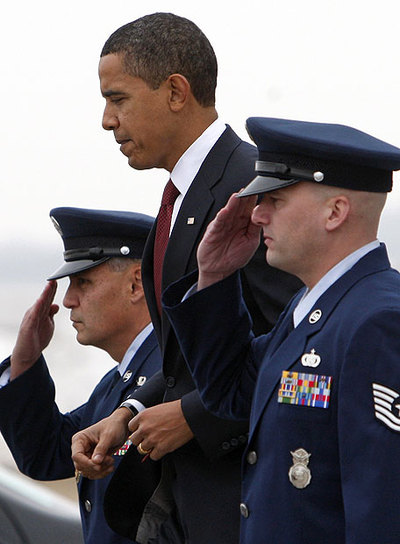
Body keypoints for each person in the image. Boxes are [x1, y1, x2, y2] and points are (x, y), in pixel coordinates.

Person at [71, 14, 302, 544]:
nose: (108, 120)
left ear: (176, 91)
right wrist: (130, 411)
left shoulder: (246, 188)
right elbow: (187, 361)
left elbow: (294, 343)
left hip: (241, 499)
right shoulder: (182, 196)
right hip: (187, 502)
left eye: (119, 99)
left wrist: (195, 418)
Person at [162, 116, 400, 543]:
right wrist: (214, 276)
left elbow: (383, 506)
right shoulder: (312, 307)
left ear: (335, 212)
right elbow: (230, 392)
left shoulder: (378, 320)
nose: (258, 214)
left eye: (277, 199)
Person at [0, 207, 162, 544]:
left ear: (135, 284)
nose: (69, 299)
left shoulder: (172, 374)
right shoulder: (118, 381)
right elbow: (46, 455)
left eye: (83, 281)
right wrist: (25, 359)